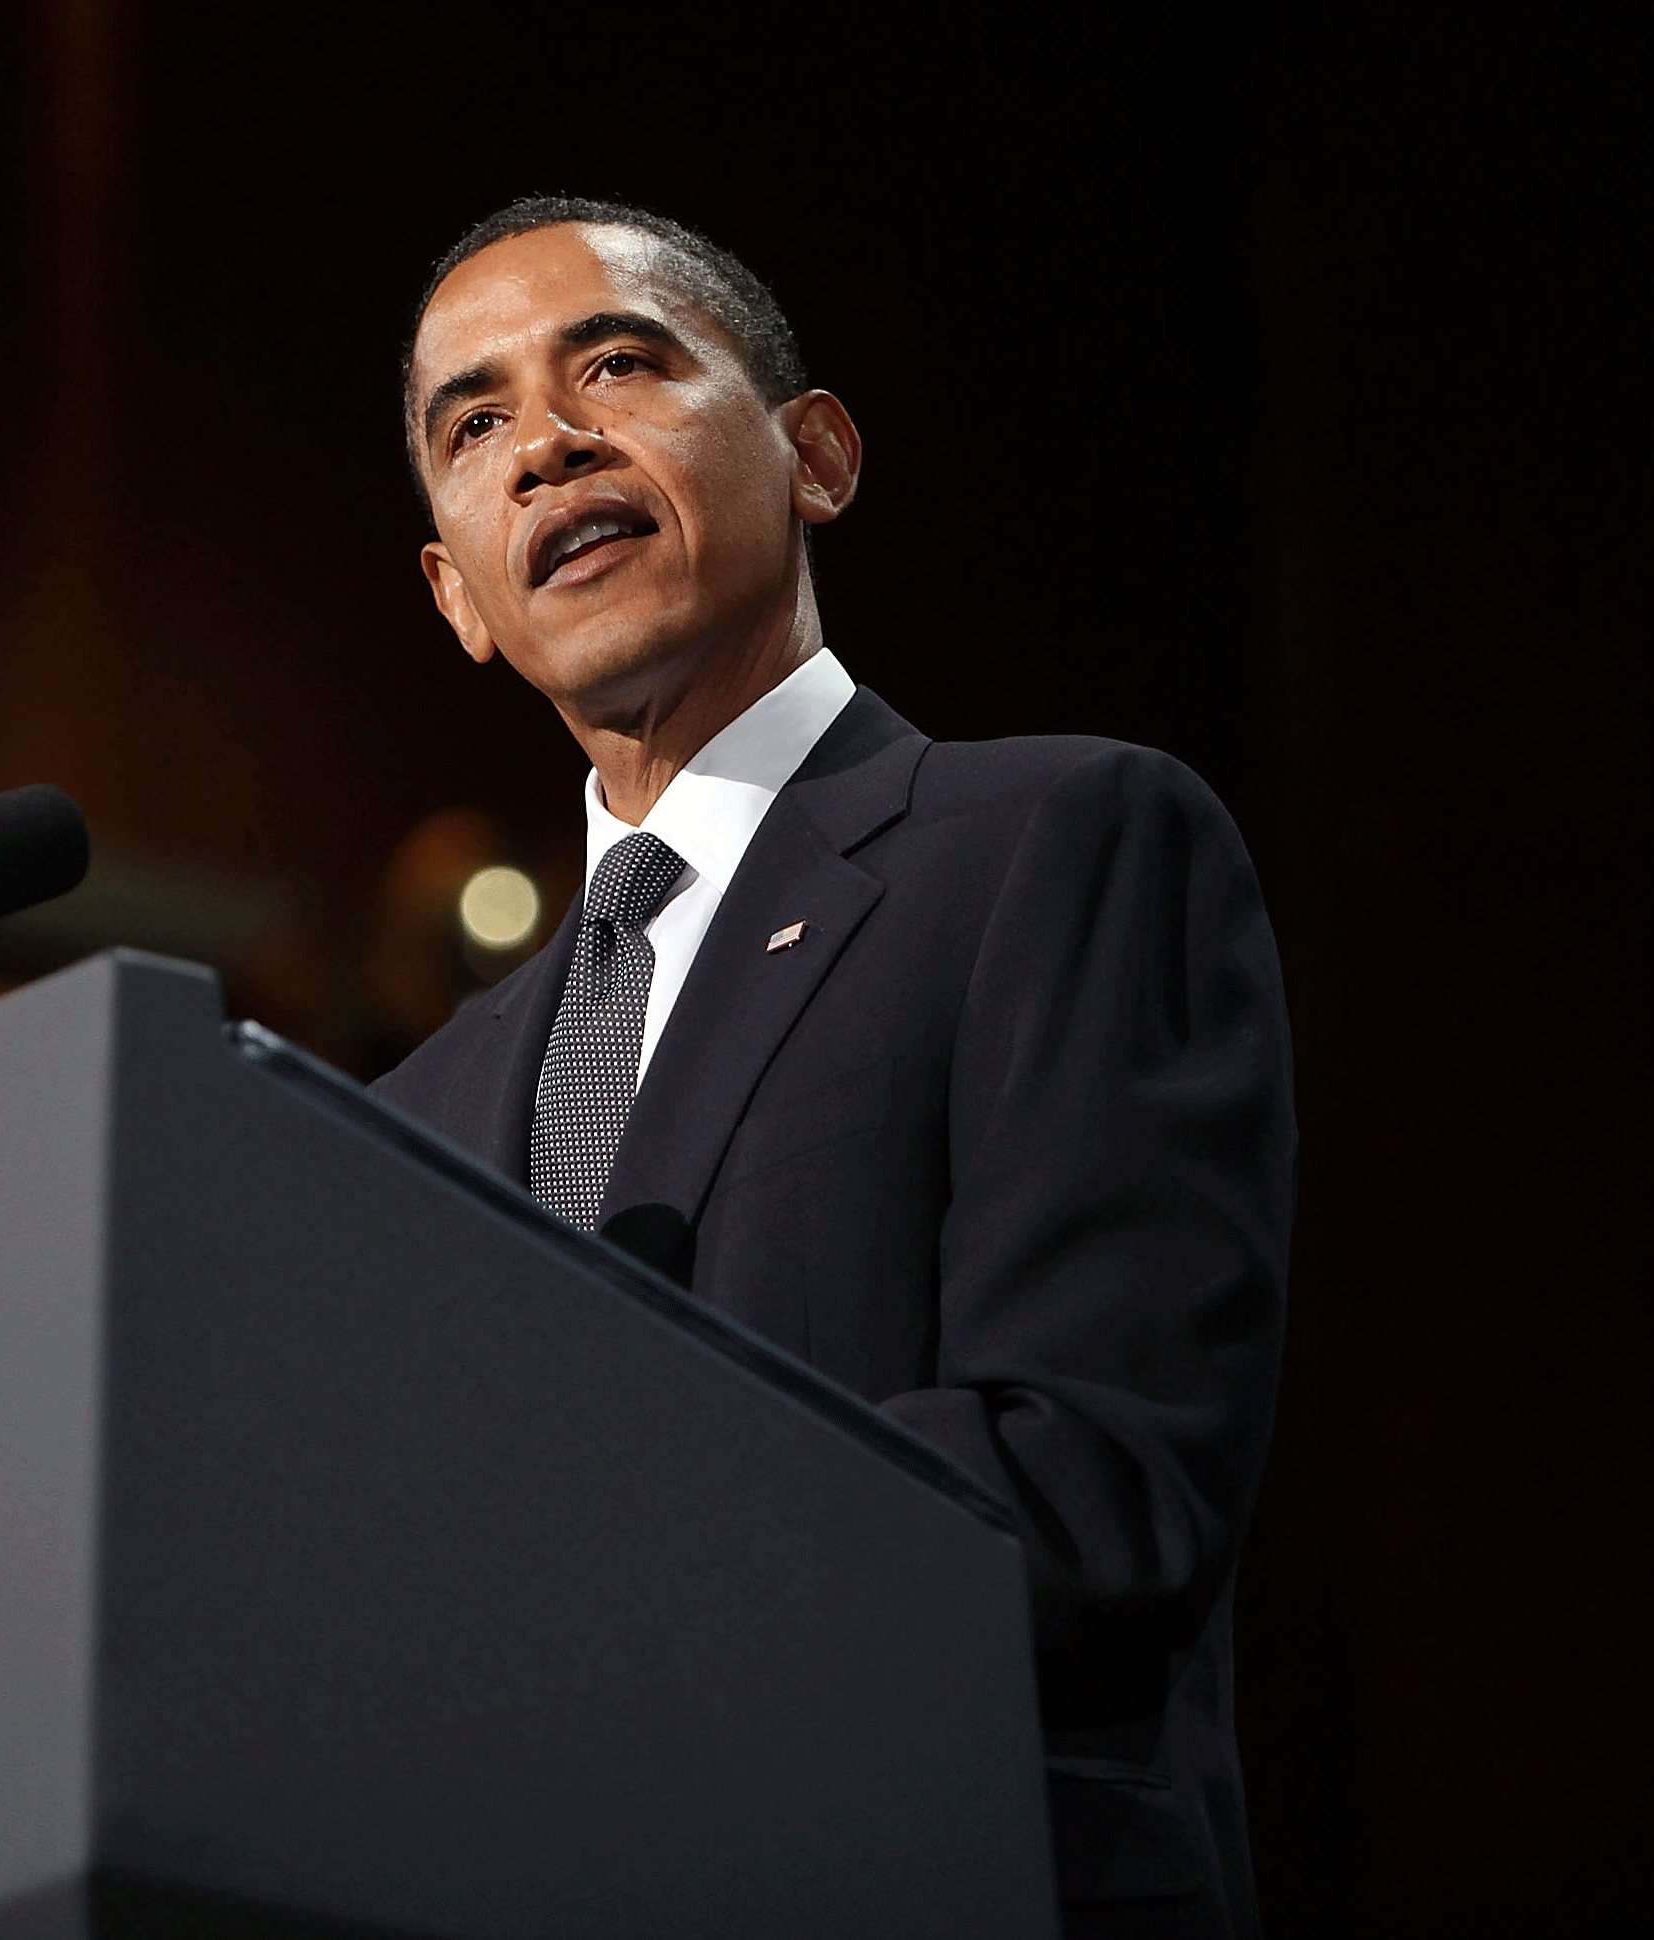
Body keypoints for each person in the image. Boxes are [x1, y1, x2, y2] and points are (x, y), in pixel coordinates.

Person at [374, 196, 1294, 1939]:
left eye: (618, 364)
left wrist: (572, 1567)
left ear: (815, 454)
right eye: (473, 424)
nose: (545, 443)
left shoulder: (1052, 844)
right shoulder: (408, 1115)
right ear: (457, 597)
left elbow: (1095, 1487)